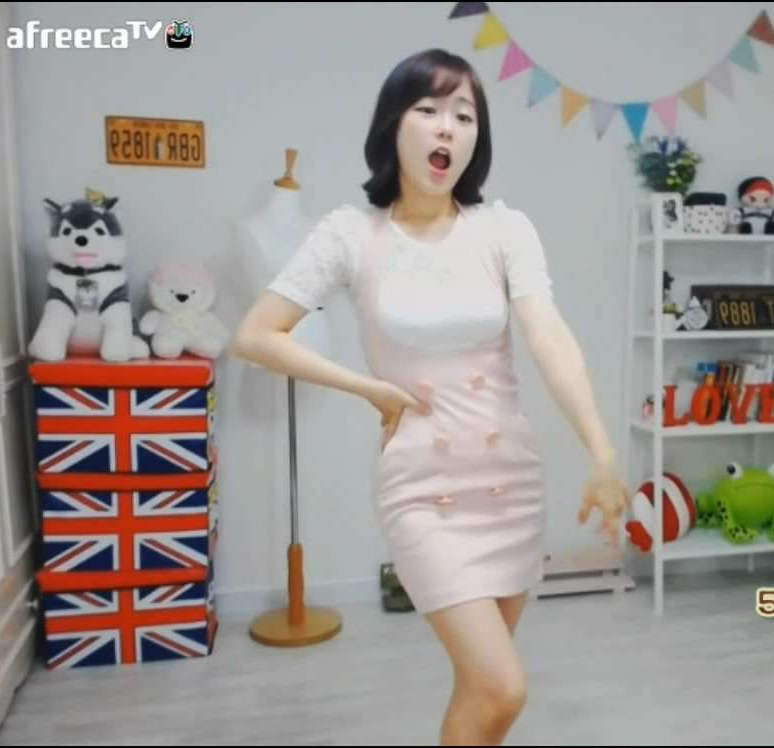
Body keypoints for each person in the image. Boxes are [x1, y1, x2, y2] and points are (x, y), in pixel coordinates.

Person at [230, 47, 628, 746]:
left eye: (464, 115)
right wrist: (369, 388)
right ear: (394, 124)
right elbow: (256, 336)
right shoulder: (350, 235)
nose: (448, 127)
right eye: (429, 110)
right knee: (503, 687)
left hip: (508, 481)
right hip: (421, 487)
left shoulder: (503, 229)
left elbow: (550, 339)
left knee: (482, 694)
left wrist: (601, 452)